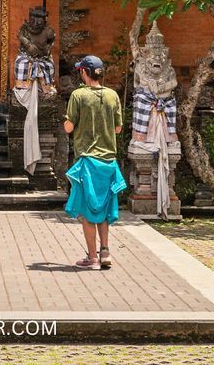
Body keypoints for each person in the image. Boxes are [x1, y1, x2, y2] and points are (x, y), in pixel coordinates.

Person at [63, 54, 125, 271]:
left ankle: (92, 257)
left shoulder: (78, 95)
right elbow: (118, 128)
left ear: (84, 73)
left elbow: (69, 127)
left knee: (87, 211)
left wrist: (72, 123)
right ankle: (105, 250)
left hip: (88, 160)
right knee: (104, 209)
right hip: (109, 161)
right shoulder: (112, 96)